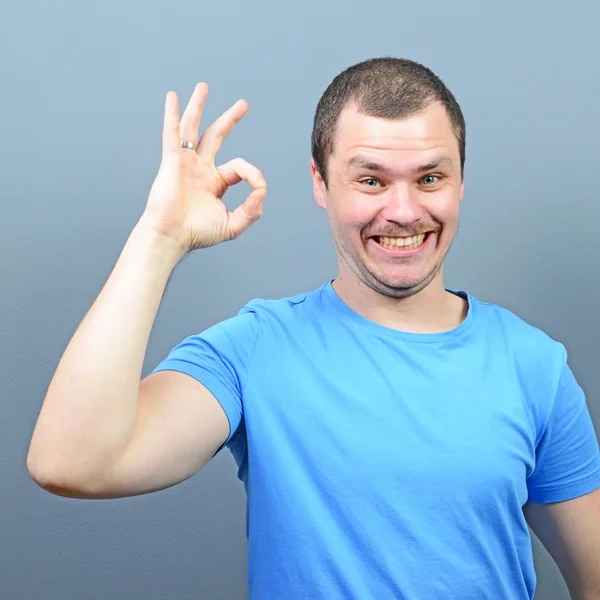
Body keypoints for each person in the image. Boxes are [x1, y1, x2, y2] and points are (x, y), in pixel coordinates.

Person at [27, 58, 600, 599]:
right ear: (320, 183)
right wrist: (160, 237)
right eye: (371, 181)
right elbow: (71, 463)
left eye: (429, 177)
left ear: (460, 182)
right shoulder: (253, 349)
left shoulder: (534, 365)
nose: (403, 210)